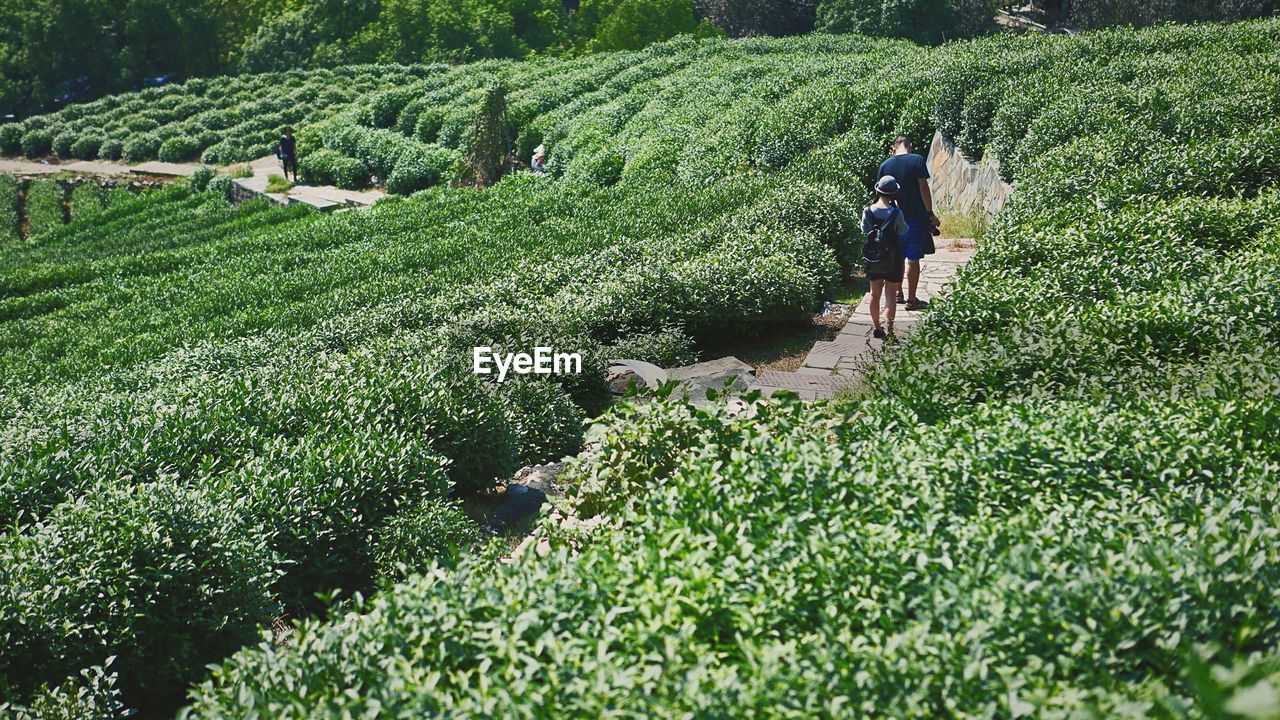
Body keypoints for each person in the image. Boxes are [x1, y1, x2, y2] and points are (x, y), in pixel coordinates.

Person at [878, 136, 939, 311]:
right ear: (910, 146)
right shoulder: (917, 160)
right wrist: (930, 213)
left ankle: (898, 294)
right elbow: (923, 187)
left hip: (891, 218)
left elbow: (880, 193)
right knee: (913, 257)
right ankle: (912, 300)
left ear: (893, 148)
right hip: (915, 218)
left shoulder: (885, 165)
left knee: (898, 255)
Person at [861, 176, 909, 340]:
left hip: (873, 258)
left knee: (874, 294)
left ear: (878, 191)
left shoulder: (868, 211)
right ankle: (888, 325)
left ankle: (877, 327)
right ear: (894, 194)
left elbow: (864, 229)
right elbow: (903, 231)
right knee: (890, 294)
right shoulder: (896, 212)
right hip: (892, 259)